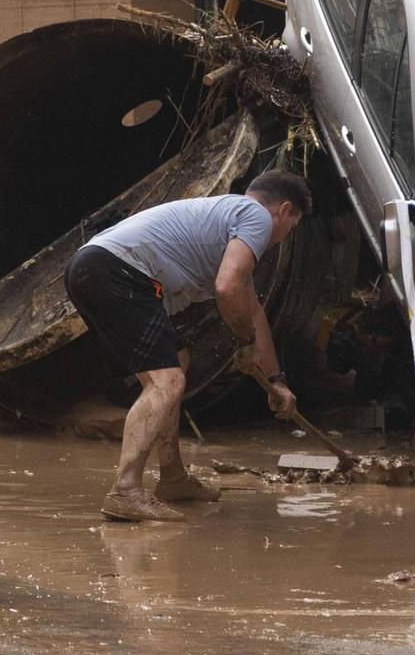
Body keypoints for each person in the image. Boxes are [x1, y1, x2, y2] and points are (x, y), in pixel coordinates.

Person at [64, 169, 311, 523]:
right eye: (292, 227)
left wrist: (276, 380)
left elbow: (252, 310)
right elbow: (227, 289)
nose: (283, 237)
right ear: (284, 210)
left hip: (93, 268)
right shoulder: (254, 215)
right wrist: (242, 345)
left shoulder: (225, 221)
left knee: (176, 360)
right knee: (168, 381)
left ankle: (173, 478)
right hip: (117, 270)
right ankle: (126, 491)